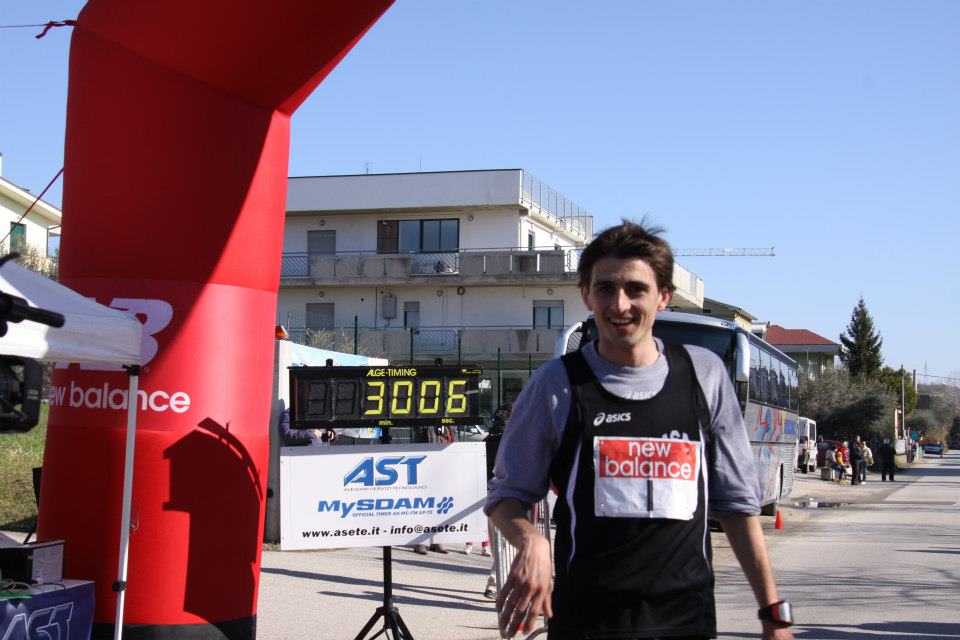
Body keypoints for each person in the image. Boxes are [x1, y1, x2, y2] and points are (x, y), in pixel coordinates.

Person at [486, 220, 794, 640]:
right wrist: (530, 541)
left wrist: (773, 613)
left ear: (663, 296)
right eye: (605, 288)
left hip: (685, 622)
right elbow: (506, 497)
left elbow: (738, 508)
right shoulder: (557, 384)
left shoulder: (704, 375)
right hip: (586, 623)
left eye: (636, 289)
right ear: (586, 295)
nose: (620, 304)